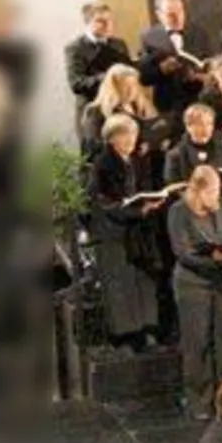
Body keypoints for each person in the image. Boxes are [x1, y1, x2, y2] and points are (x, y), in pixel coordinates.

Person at [84, 114, 165, 349]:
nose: (132, 140)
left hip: (136, 233)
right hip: (112, 233)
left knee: (142, 283)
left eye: (134, 135)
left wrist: (150, 204)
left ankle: (147, 331)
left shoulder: (136, 161)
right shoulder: (102, 164)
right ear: (112, 139)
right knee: (121, 286)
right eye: (126, 135)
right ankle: (126, 337)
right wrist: (138, 211)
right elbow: (102, 203)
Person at [166, 165, 222, 415]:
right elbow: (183, 253)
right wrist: (214, 260)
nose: (216, 197)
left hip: (221, 281)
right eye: (212, 192)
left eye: (218, 191)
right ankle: (199, 399)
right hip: (192, 282)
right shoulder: (179, 212)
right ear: (197, 191)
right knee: (197, 342)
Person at [138, 0, 216, 121]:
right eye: (171, 14)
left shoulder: (199, 34)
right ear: (159, 15)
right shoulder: (149, 38)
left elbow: (210, 63)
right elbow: (143, 77)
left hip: (198, 100)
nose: (177, 18)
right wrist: (161, 70)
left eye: (180, 11)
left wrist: (203, 76)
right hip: (168, 105)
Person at [65, 2, 133, 113]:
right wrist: (109, 77)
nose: (107, 24)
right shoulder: (75, 48)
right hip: (92, 109)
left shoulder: (119, 44)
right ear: (87, 22)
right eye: (101, 21)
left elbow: (128, 72)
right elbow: (76, 84)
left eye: (110, 20)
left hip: (121, 108)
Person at [163, 103, 222, 188]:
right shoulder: (175, 155)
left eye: (209, 124)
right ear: (188, 126)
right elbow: (173, 188)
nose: (205, 129)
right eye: (200, 124)